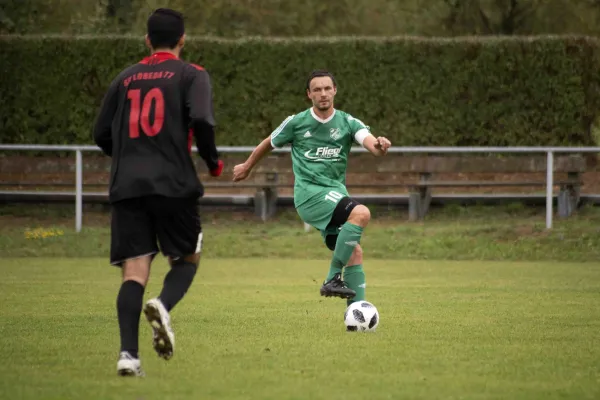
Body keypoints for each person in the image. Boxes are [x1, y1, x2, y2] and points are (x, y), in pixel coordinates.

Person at [93, 8, 223, 377]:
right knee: (187, 259)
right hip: (174, 184)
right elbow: (201, 119)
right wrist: (212, 163)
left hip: (127, 186)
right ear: (183, 39)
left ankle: (128, 356)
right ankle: (163, 306)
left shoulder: (125, 78)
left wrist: (131, 157)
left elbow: (101, 133)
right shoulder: (192, 74)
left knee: (134, 272)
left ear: (147, 40)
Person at [232, 69, 391, 311]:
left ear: (335, 91)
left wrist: (381, 145)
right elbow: (268, 142)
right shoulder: (296, 122)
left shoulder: (348, 122)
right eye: (317, 89)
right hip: (310, 195)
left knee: (354, 252)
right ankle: (331, 278)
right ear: (309, 94)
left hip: (334, 194)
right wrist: (247, 166)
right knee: (361, 213)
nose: (323, 93)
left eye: (327, 88)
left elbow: (373, 145)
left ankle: (356, 317)